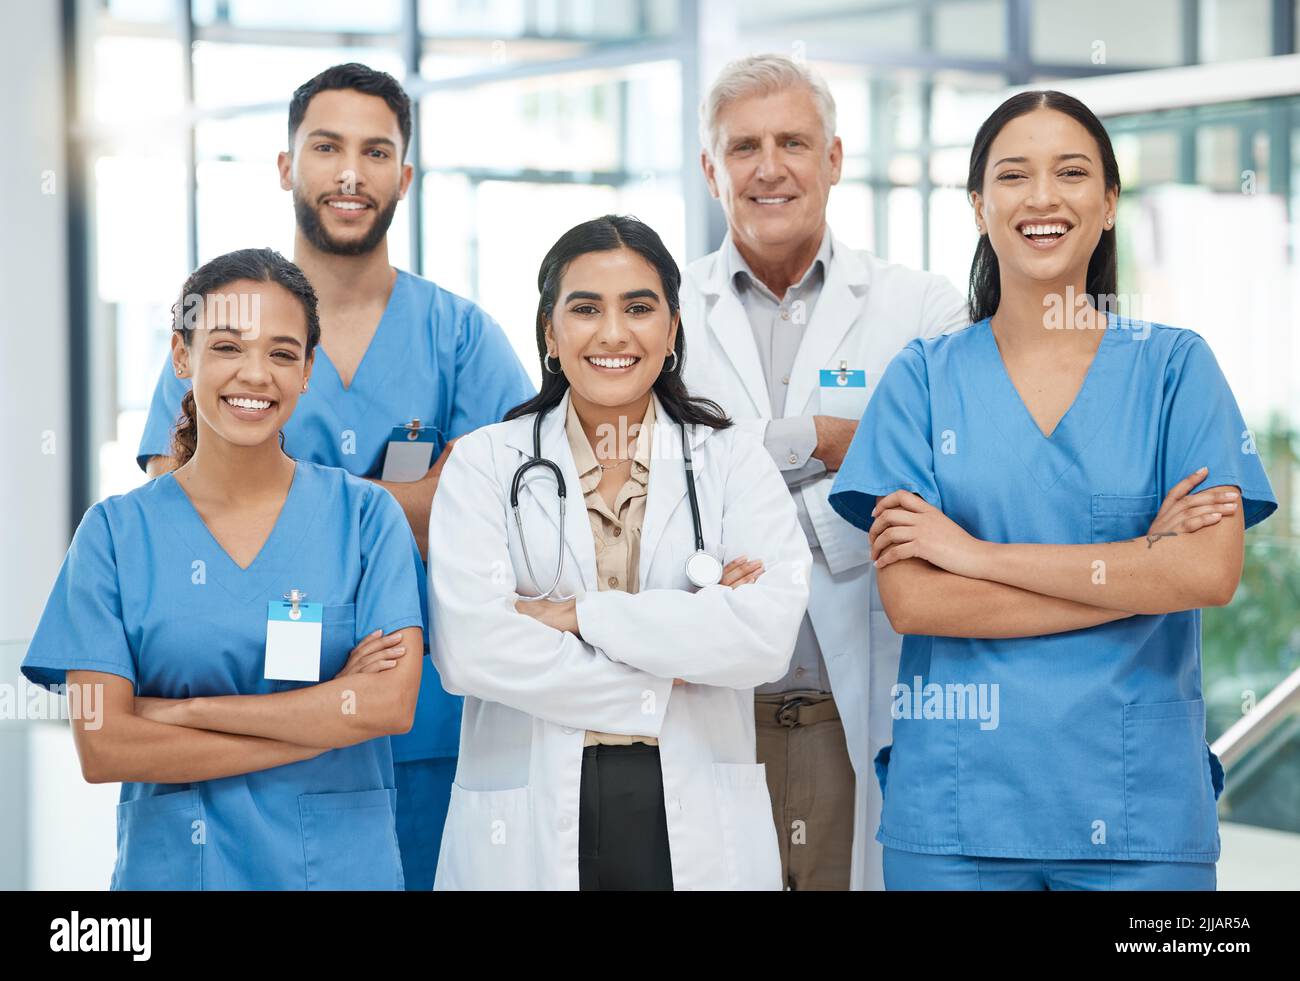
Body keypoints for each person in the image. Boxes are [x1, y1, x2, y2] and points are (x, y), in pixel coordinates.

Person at [828, 90, 1277, 890]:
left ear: (1108, 203)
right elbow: (918, 602)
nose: (1042, 197)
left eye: (1071, 173)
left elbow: (1206, 574)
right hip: (958, 822)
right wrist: (1141, 570)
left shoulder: (1177, 370)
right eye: (1013, 175)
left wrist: (975, 554)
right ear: (978, 205)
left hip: (1140, 824)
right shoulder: (922, 381)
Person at [134, 64, 534, 890]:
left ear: (404, 177)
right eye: (326, 147)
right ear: (287, 167)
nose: (350, 173)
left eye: (375, 151)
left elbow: (511, 514)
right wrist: (411, 505)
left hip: (426, 723)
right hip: (240, 714)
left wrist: (287, 498)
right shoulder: (222, 328)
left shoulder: (460, 336)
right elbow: (180, 513)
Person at [427, 215, 812, 889]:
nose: (612, 333)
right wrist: (675, 659)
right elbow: (470, 649)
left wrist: (575, 614)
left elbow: (762, 639)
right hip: (532, 812)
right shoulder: (486, 463)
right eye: (585, 309)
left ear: (671, 330)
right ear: (550, 332)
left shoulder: (730, 461)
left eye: (639, 307)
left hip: (692, 809)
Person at [22, 248, 425, 889]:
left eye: (283, 353)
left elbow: (387, 705)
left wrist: (181, 713)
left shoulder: (366, 519)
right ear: (183, 356)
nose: (256, 374)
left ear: (308, 371)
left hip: (338, 870)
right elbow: (105, 748)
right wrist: (318, 723)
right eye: (228, 347)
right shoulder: (115, 535)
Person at [679, 54, 970, 890]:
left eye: (793, 142)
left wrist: (748, 458)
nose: (769, 167)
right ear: (711, 169)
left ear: (833, 160)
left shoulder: (921, 306)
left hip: (861, 697)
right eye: (743, 148)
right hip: (717, 697)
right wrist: (830, 441)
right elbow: (663, 474)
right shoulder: (660, 310)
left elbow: (950, 468)